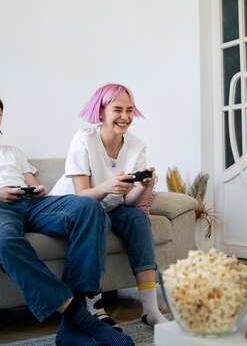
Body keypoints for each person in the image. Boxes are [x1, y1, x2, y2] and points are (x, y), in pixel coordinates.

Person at [0, 90, 135, 346]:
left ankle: (78, 316)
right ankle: (81, 319)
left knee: (88, 206)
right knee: (4, 242)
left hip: (31, 204)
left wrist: (36, 189)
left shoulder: (13, 151)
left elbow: (34, 185)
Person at [50, 83, 169, 330]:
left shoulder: (137, 146)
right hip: (72, 208)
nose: (125, 116)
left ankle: (151, 310)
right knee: (96, 215)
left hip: (107, 207)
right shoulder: (84, 140)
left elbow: (128, 202)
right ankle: (94, 308)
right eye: (117, 109)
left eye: (129, 110)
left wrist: (145, 186)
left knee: (137, 219)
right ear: (101, 111)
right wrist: (108, 187)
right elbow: (82, 195)